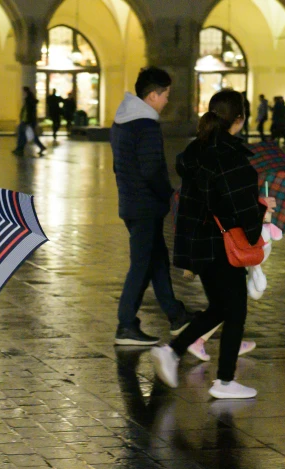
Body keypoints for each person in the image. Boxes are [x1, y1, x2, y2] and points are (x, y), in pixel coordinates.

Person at [150, 88, 275, 399]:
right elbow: (238, 211)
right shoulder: (232, 159)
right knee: (236, 310)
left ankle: (174, 351)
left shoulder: (197, 152)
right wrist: (263, 209)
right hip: (222, 246)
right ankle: (224, 380)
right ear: (240, 118)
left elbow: (213, 199)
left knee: (222, 306)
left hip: (199, 245)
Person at [110, 67, 192, 345]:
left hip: (131, 203)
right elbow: (152, 170)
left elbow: (117, 166)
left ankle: (177, 315)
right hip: (145, 206)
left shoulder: (122, 122)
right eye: (166, 95)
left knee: (157, 260)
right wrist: (169, 195)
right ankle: (126, 325)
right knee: (142, 265)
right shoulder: (145, 125)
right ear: (153, 95)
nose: (167, 101)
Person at [12, 86, 46, 156]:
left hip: (27, 121)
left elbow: (28, 112)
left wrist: (27, 120)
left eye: (23, 92)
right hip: (27, 120)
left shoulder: (29, 100)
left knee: (23, 134)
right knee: (25, 134)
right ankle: (20, 148)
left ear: (25, 92)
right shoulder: (29, 100)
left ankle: (20, 148)